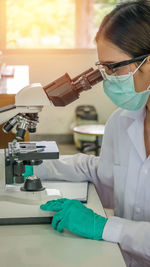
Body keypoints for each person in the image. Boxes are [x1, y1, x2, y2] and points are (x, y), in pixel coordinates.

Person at [34, 1, 150, 266]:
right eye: (103, 69)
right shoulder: (122, 122)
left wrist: (104, 227)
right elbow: (103, 172)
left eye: (114, 68)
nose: (108, 79)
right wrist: (37, 165)